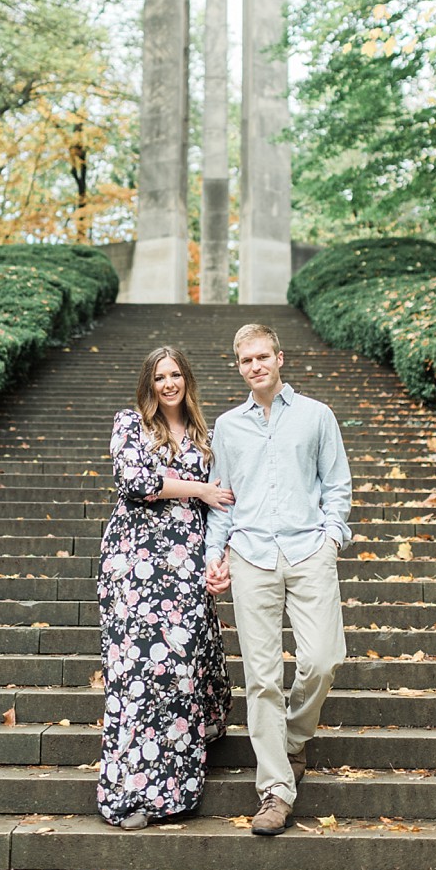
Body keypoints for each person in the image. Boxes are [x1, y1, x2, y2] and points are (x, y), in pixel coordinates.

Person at [205, 322, 351, 836]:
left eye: (262, 356)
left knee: (323, 658)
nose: (255, 366)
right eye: (246, 360)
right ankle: (275, 790)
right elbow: (222, 499)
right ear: (238, 366)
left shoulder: (316, 416)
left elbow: (336, 484)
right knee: (262, 678)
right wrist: (213, 553)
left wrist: (333, 538)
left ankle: (292, 738)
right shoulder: (226, 426)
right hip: (250, 555)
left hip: (309, 550)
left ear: (280, 358)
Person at [97, 345, 233, 830]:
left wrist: (221, 558)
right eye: (160, 377)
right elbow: (133, 479)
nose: (169, 383)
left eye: (176, 374)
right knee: (136, 673)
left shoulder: (207, 435)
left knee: (176, 670)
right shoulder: (130, 423)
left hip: (186, 563)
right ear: (148, 384)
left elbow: (228, 502)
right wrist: (197, 488)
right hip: (133, 564)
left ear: (187, 380)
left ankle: (174, 791)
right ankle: (130, 793)